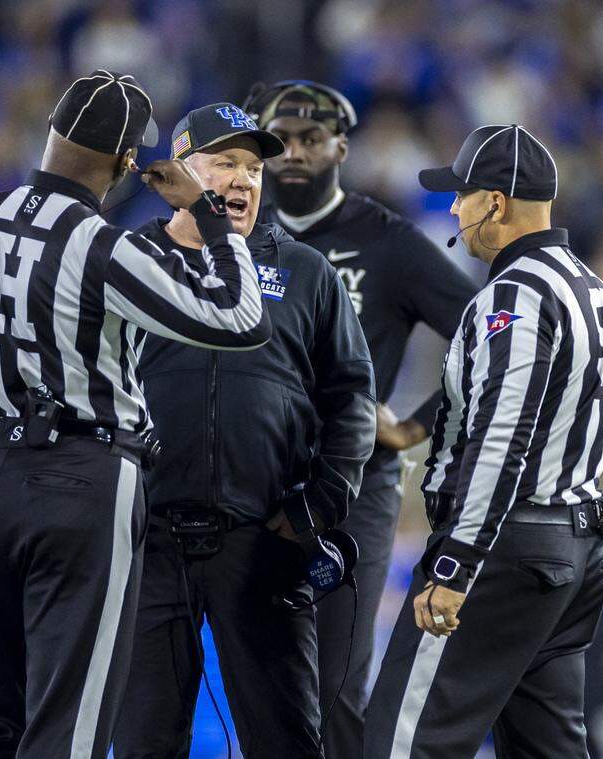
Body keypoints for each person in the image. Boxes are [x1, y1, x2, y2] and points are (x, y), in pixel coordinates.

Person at [0, 71, 272, 759]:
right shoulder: (103, 245)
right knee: (69, 729)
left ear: (51, 137)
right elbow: (241, 318)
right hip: (86, 482)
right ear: (128, 162)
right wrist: (213, 220)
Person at [111, 102, 376, 759]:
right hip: (148, 544)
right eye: (225, 162)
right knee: (143, 741)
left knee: (286, 740)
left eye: (255, 167)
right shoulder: (126, 258)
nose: (245, 179)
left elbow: (352, 397)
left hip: (264, 541)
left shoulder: (308, 273)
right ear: (179, 171)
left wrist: (323, 498)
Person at [364, 124, 603, 758]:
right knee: (548, 747)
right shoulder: (596, 289)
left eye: (463, 195)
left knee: (398, 743)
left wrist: (456, 563)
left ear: (497, 202)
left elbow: (501, 439)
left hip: (506, 547)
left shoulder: (514, 293)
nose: (455, 209)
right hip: (577, 543)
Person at [242, 80, 478, 758]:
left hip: (350, 483)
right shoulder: (234, 232)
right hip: (252, 479)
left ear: (341, 147)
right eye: (279, 139)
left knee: (337, 679)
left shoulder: (386, 240)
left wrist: (412, 425)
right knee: (255, 671)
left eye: (311, 139)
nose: (293, 153)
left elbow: (489, 338)